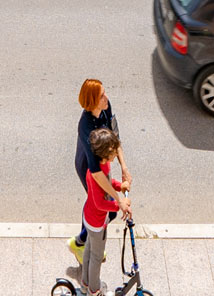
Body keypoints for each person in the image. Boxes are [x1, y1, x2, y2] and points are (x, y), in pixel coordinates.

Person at [69, 80, 123, 256]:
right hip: (89, 169)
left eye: (105, 93)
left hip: (103, 164)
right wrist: (119, 200)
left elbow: (115, 138)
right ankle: (80, 242)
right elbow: (95, 173)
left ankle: (87, 239)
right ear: (92, 101)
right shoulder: (86, 127)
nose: (106, 98)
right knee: (100, 206)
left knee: (103, 209)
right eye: (101, 96)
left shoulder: (105, 108)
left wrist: (124, 168)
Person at [77, 126, 129, 296]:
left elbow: (107, 182)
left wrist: (119, 186)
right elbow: (100, 203)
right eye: (114, 152)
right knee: (96, 257)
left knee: (89, 251)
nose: (116, 155)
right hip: (96, 222)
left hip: (91, 217)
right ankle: (94, 290)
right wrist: (119, 205)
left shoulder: (102, 167)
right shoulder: (95, 175)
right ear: (106, 153)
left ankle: (85, 284)